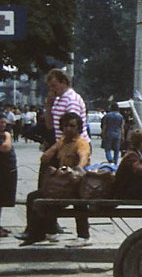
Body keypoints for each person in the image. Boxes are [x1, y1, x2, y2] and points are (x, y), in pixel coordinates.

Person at [19, 111, 92, 247]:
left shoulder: (81, 143)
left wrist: (77, 168)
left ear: (78, 128)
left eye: (72, 126)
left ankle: (83, 236)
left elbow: (83, 157)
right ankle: (48, 232)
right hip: (63, 183)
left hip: (76, 183)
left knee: (73, 202)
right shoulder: (62, 142)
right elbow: (46, 156)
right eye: (65, 126)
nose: (68, 129)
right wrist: (50, 152)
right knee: (34, 197)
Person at [44, 68, 88, 144]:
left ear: (63, 82)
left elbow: (73, 128)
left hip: (75, 145)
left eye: (54, 86)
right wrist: (49, 106)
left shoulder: (71, 100)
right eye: (50, 87)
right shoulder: (58, 100)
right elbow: (49, 126)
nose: (51, 89)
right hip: (63, 143)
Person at [0, 113, 15, 237]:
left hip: (5, 172)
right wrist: (8, 136)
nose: (2, 125)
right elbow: (5, 148)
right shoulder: (5, 136)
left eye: (4, 122)